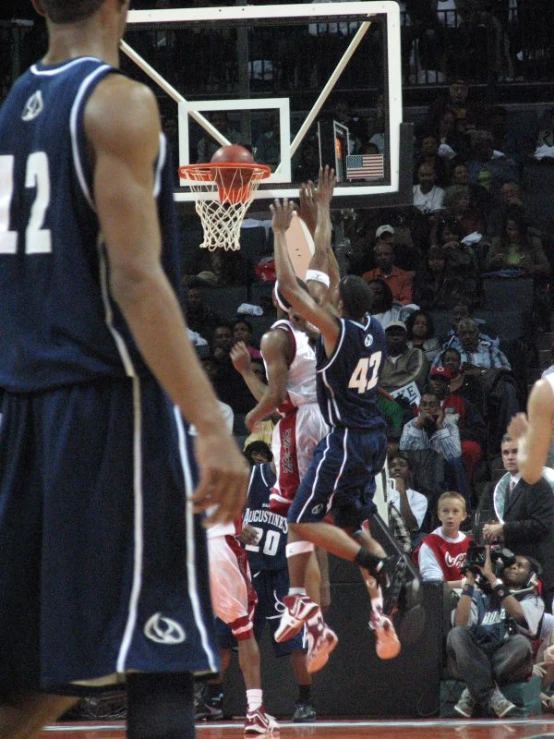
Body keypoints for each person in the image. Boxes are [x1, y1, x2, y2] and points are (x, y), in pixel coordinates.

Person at [0, 3, 249, 739]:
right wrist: (210, 422)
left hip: (24, 408)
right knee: (160, 650)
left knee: (34, 683)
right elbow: (137, 281)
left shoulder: (14, 106)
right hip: (112, 402)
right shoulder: (120, 103)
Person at [270, 191, 411, 670]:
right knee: (354, 524)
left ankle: (366, 566)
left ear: (339, 305)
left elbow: (292, 289)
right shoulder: (373, 326)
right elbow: (331, 270)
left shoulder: (334, 331)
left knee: (300, 521)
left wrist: (279, 232)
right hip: (372, 438)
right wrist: (322, 214)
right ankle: (379, 610)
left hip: (344, 436)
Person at [447, 549, 544, 718]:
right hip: (478, 653)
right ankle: (492, 694)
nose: (513, 567)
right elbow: (460, 623)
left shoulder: (532, 600)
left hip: (505, 658)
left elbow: (518, 614)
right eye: (511, 564)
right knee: (456, 634)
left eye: (520, 566)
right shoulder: (478, 595)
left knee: (521, 644)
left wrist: (492, 578)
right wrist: (469, 582)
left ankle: (474, 689)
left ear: (531, 576)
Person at [481, 435, 554, 613]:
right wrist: (493, 528)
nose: (509, 457)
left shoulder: (538, 485)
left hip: (536, 567)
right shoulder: (501, 486)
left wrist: (503, 528)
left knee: (538, 628)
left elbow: (541, 525)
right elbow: (505, 520)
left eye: (515, 452)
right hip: (512, 565)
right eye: (505, 453)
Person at [416, 491, 471, 588]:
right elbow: (433, 586)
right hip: (442, 600)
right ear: (439, 515)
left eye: (455, 511)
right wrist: (463, 584)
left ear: (464, 516)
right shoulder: (429, 544)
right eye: (445, 511)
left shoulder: (470, 543)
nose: (450, 516)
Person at [361, 240, 414, 305]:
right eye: (379, 255)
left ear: (393, 257)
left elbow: (407, 300)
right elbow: (362, 299)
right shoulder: (367, 276)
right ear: (375, 258)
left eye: (386, 254)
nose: (383, 257)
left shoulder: (405, 276)